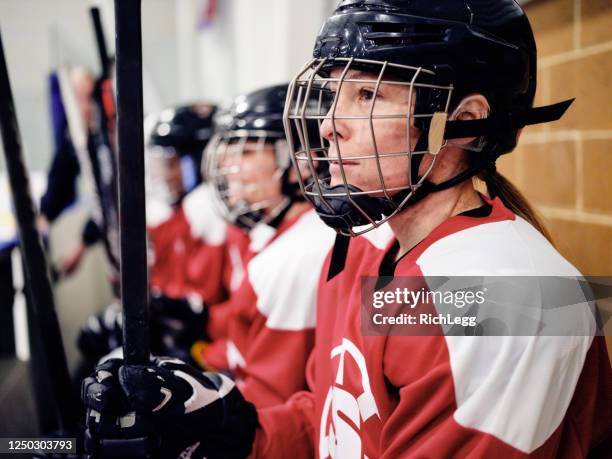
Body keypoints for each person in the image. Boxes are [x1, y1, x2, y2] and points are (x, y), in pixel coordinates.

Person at [81, 1, 611, 458]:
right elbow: (337, 422)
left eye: (368, 95)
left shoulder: (503, 295)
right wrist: (235, 429)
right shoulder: (362, 248)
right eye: (334, 94)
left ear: (465, 121)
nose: (329, 123)